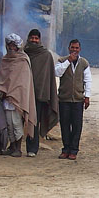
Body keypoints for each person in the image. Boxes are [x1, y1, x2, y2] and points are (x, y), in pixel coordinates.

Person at [0, 33, 37, 158]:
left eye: (14, 45)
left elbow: (23, 82)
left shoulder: (23, 60)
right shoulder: (5, 59)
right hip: (6, 98)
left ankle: (18, 149)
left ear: (18, 46)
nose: (11, 47)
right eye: (9, 45)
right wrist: (3, 90)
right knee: (8, 124)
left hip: (18, 98)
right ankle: (12, 146)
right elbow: (3, 77)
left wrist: (14, 93)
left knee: (16, 124)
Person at [23, 28, 59, 157]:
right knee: (19, 121)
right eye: (32, 37)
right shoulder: (23, 54)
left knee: (34, 121)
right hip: (24, 94)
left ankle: (32, 148)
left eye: (36, 38)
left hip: (39, 95)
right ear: (28, 38)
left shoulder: (46, 55)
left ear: (40, 40)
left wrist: (44, 92)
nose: (34, 40)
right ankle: (15, 147)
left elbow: (48, 77)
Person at [55, 39, 91, 160]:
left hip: (78, 99)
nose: (74, 50)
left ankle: (74, 150)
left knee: (77, 125)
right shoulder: (61, 60)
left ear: (79, 49)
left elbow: (88, 80)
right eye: (72, 48)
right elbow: (57, 73)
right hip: (64, 99)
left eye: (76, 48)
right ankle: (65, 149)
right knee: (64, 125)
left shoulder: (84, 63)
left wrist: (87, 96)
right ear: (68, 48)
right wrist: (68, 61)